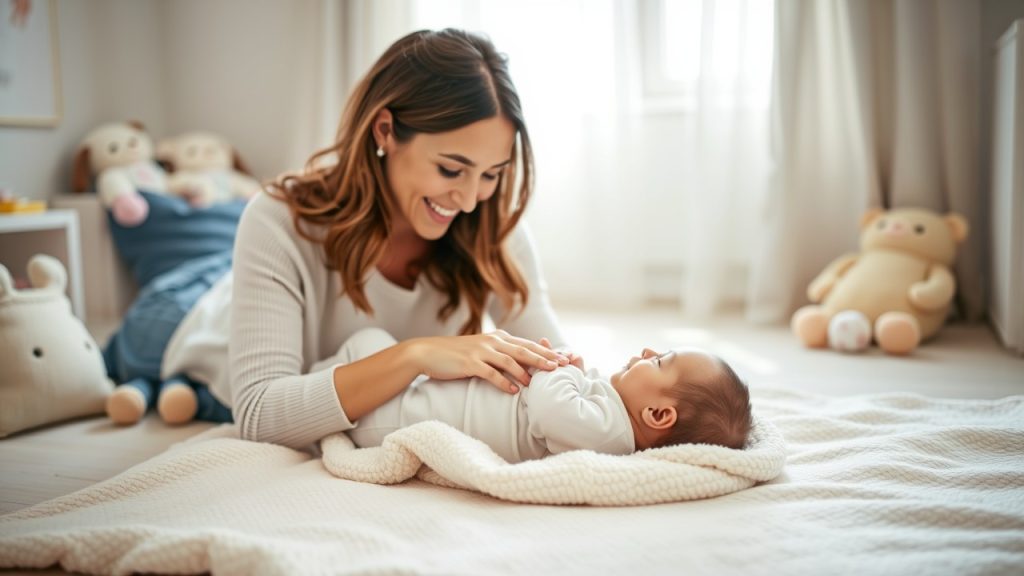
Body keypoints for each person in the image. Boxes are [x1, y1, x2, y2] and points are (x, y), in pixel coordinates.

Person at [160, 29, 571, 449]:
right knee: (121, 357)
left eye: (491, 174)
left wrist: (614, 397)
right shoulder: (276, 221)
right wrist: (416, 356)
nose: (468, 200)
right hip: (188, 323)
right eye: (450, 169)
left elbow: (553, 357)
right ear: (385, 130)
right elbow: (260, 413)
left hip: (238, 288)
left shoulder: (491, 226)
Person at [344, 328, 753, 463]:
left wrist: (558, 370)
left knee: (363, 349)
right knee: (372, 341)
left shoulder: (610, 437)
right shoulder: (609, 411)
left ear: (658, 416)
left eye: (662, 362)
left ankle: (318, 383)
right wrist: (569, 367)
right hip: (434, 393)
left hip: (398, 414)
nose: (647, 352)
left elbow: (551, 409)